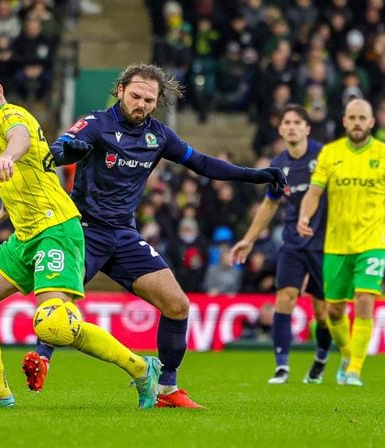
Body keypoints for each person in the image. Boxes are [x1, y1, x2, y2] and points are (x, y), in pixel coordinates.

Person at [21, 63, 287, 408]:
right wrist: (66, 152)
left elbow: (203, 163)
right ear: (120, 91)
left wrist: (255, 175)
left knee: (177, 305)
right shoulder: (97, 123)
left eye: (149, 99)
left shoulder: (159, 136)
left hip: (124, 235)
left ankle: (166, 389)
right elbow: (65, 144)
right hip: (83, 231)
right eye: (135, 96)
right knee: (59, 301)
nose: (141, 104)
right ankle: (42, 359)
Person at [0, 67, 161, 409]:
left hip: (55, 230)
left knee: (54, 323)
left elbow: (19, 138)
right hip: (25, 234)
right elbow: (31, 165)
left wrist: (8, 156)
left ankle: (141, 368)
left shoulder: (10, 116)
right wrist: (10, 200)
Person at [297, 99, 385, 387]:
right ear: (345, 122)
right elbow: (314, 192)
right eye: (352, 117)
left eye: (363, 117)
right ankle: (348, 353)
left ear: (372, 122)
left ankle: (354, 371)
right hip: (336, 244)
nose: (357, 122)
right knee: (334, 310)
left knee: (364, 302)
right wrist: (304, 216)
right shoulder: (330, 154)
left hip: (374, 241)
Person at [230, 104, 333, 385]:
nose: (291, 127)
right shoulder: (279, 165)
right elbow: (269, 205)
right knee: (284, 298)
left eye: (297, 122)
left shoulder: (324, 157)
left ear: (307, 128)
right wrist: (248, 240)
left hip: (324, 243)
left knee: (323, 312)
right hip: (293, 241)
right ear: (280, 129)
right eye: (287, 122)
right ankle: (282, 367)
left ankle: (322, 354)